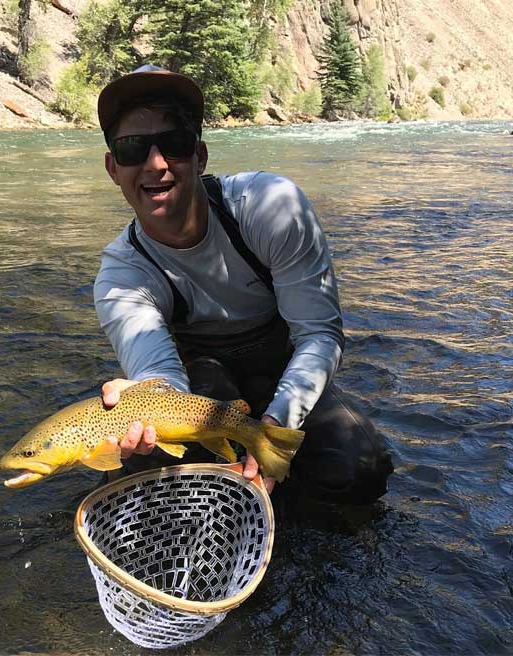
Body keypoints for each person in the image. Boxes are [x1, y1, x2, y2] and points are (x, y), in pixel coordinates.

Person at [93, 64, 393, 504]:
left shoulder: (269, 208)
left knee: (361, 469)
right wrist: (143, 407)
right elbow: (161, 381)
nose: (155, 164)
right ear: (113, 168)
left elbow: (318, 335)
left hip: (280, 365)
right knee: (148, 463)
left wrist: (274, 427)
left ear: (200, 156)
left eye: (173, 144)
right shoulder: (121, 276)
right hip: (199, 382)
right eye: (133, 148)